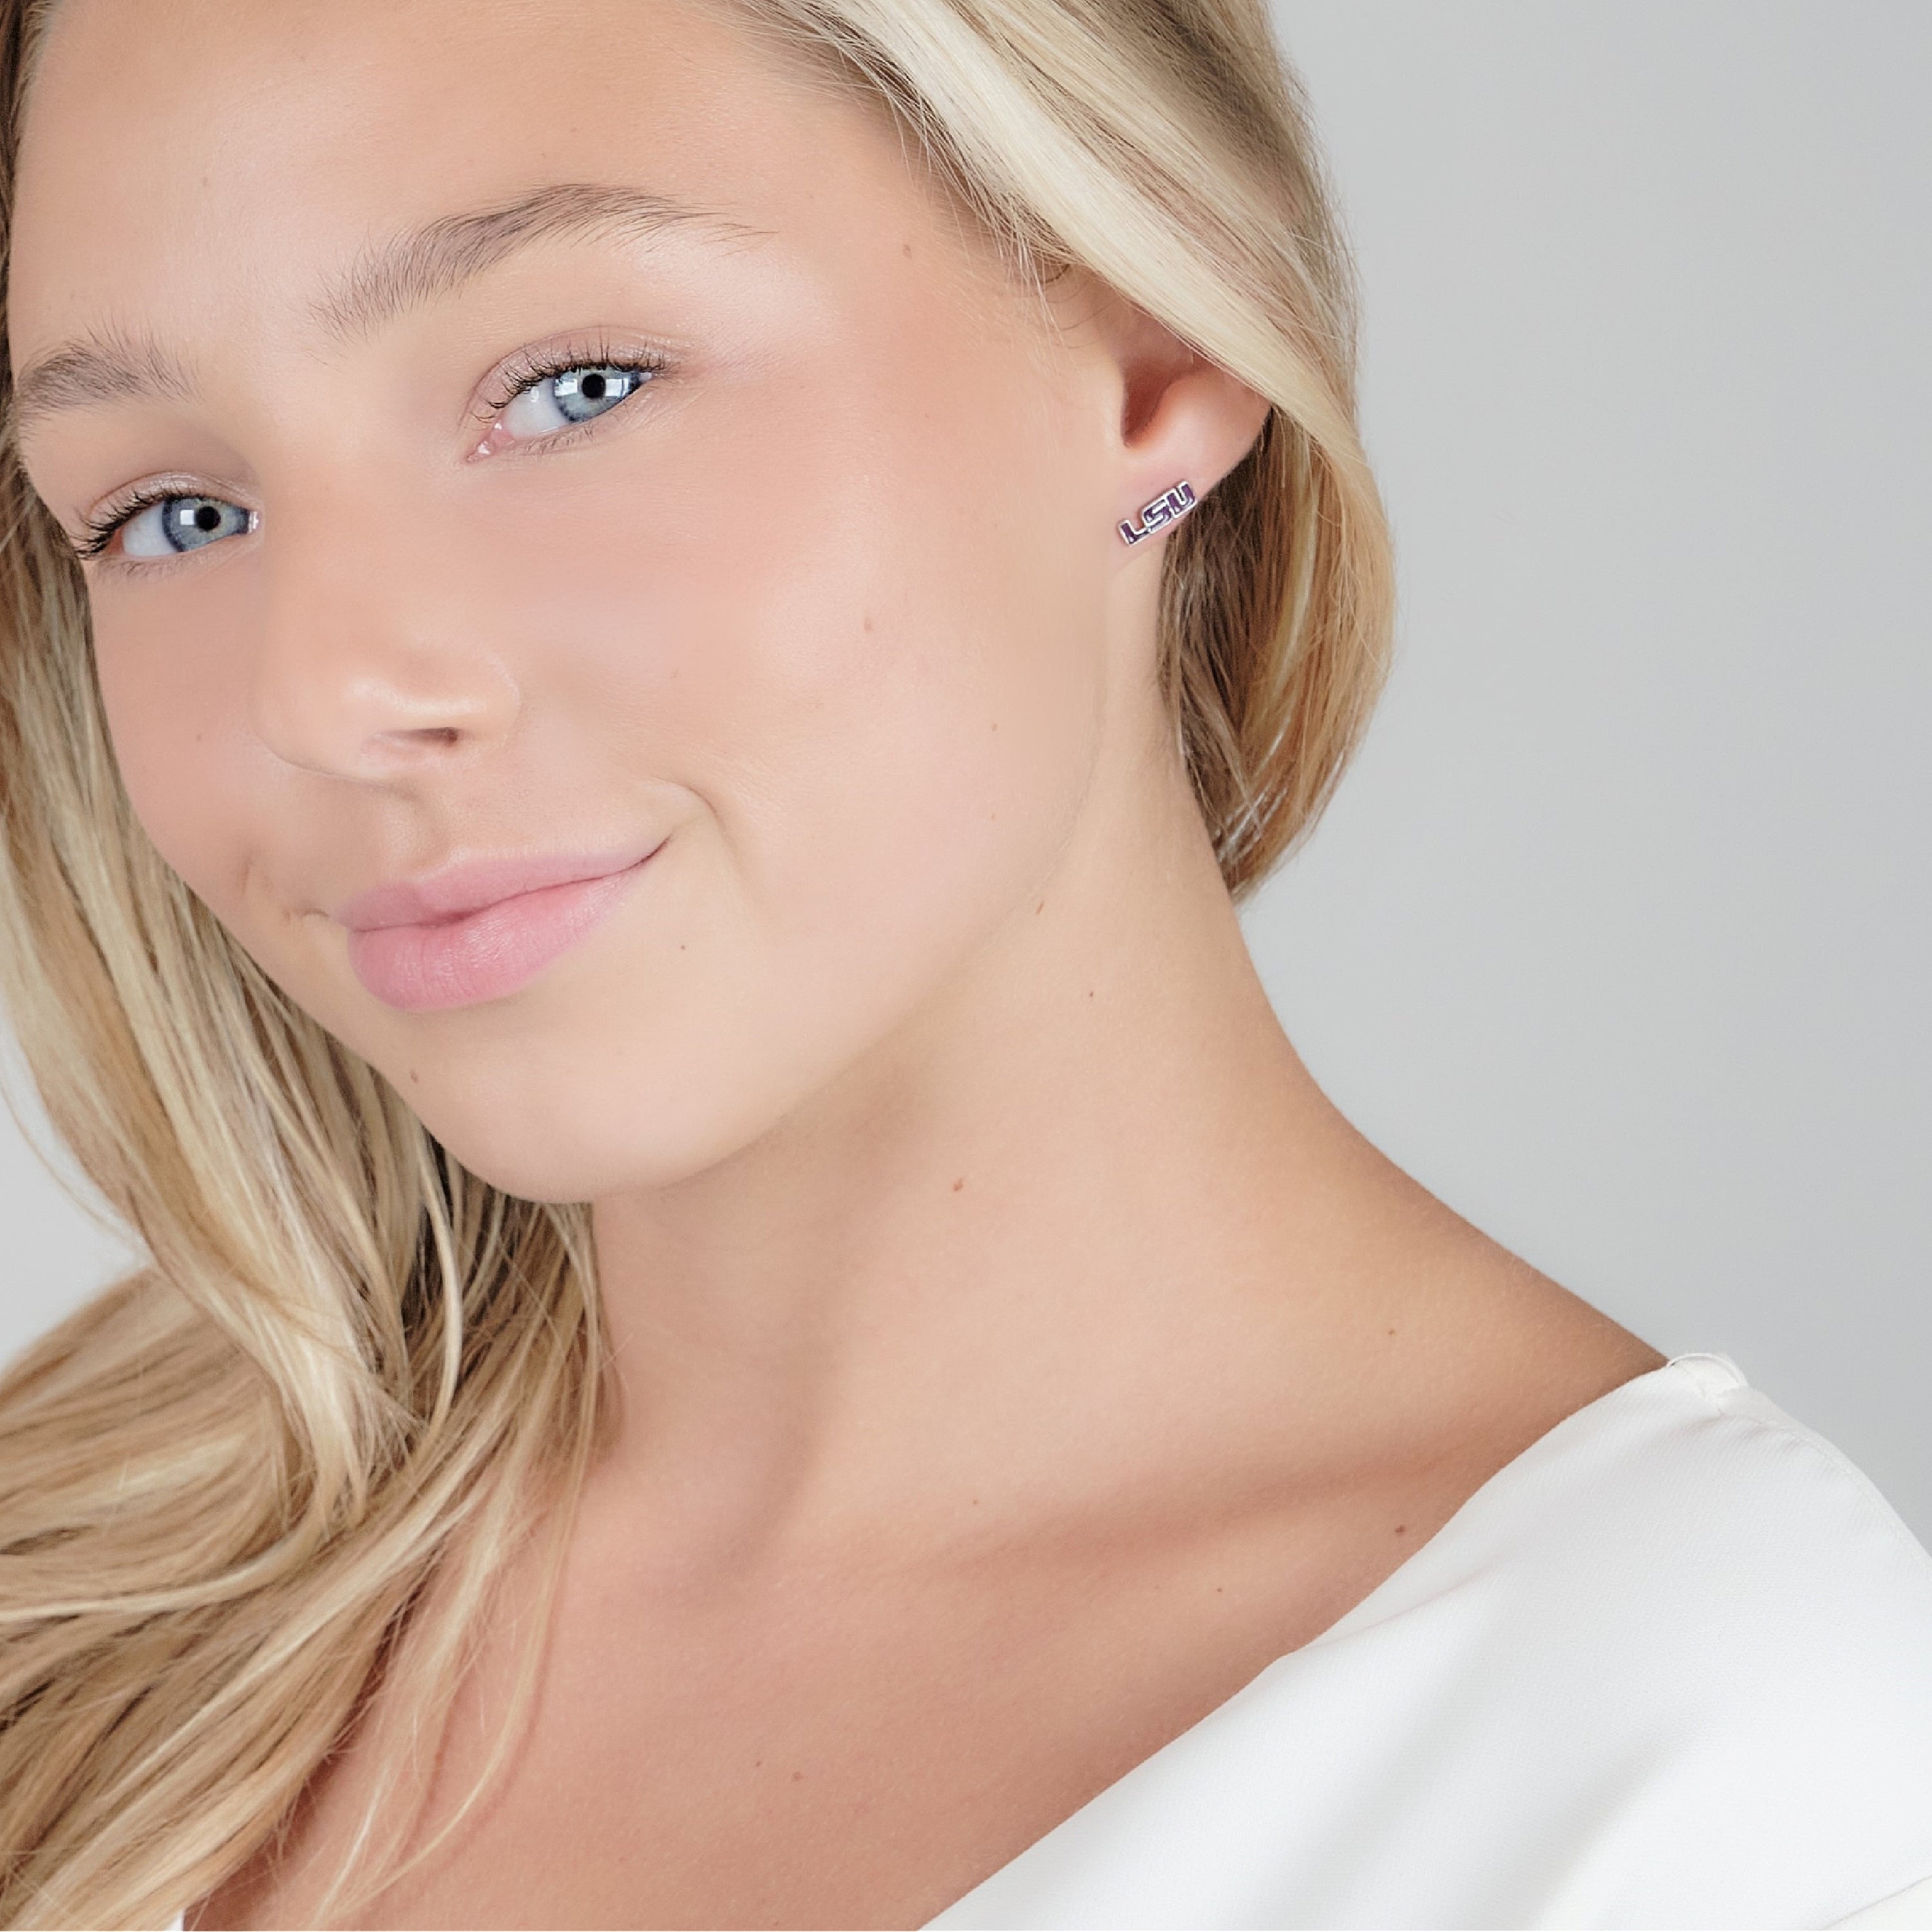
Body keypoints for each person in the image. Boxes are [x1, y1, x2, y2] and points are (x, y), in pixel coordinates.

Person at [0, 0, 1928, 1926]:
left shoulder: (1713, 1779)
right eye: (178, 514)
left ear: (1154, 349)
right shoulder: (63, 1599)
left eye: (578, 388)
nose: (325, 694)